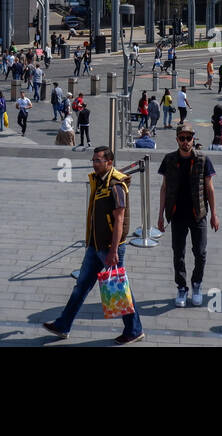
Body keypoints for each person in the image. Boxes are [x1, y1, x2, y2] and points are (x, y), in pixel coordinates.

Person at [43, 147, 144, 344]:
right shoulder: (99, 180)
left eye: (98, 160)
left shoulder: (116, 185)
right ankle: (63, 325)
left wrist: (114, 250)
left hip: (109, 247)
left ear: (109, 162)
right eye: (93, 159)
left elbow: (119, 220)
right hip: (95, 245)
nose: (94, 163)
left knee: (119, 289)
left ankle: (134, 330)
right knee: (81, 286)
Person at [156, 127, 219, 307]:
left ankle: (197, 284)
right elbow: (164, 188)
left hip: (198, 214)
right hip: (177, 214)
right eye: (182, 138)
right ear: (177, 140)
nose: (185, 141)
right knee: (178, 253)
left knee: (200, 252)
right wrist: (160, 215)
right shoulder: (169, 159)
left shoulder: (203, 159)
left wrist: (214, 214)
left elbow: (209, 188)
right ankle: (182, 287)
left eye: (188, 138)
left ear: (193, 139)